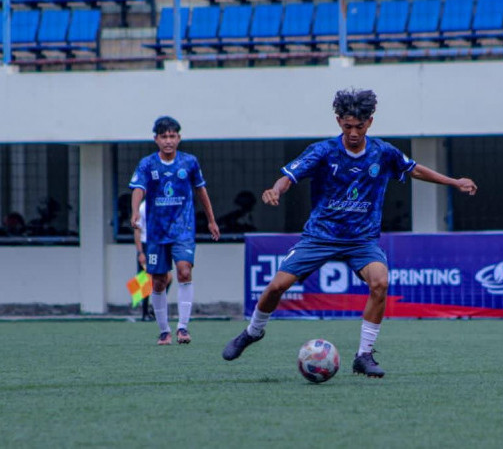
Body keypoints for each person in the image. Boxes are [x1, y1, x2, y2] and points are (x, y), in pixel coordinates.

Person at [221, 88, 478, 377]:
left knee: (380, 282)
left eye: (359, 126)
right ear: (338, 122)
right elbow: (289, 177)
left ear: (370, 122)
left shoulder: (383, 152)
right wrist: (275, 190)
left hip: (361, 239)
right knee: (276, 287)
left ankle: (364, 355)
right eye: (347, 126)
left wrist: (454, 182)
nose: (353, 132)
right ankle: (253, 332)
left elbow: (414, 170)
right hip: (320, 236)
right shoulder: (323, 151)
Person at [129, 116, 220, 345]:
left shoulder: (189, 162)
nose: (168, 141)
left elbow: (201, 190)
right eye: (164, 137)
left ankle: (183, 328)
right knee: (158, 281)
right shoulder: (147, 164)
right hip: (156, 233)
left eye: (172, 136)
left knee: (184, 271)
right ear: (156, 139)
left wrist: (211, 220)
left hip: (183, 229)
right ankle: (164, 331)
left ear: (178, 138)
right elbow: (138, 188)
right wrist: (135, 212)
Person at [133, 199, 172, 322]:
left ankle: (155, 308)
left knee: (167, 277)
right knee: (145, 279)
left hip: (158, 244)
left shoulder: (162, 205)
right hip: (146, 244)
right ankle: (144, 313)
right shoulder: (143, 207)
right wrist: (140, 252)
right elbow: (137, 230)